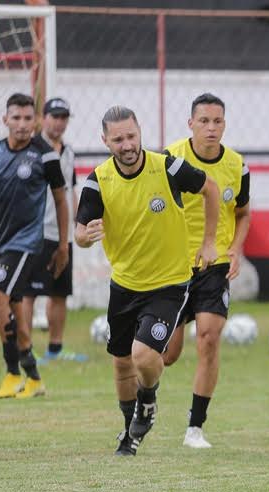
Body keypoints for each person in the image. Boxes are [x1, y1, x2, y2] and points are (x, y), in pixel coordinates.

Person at [75, 106, 220, 456]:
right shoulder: (98, 181)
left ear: (140, 131)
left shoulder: (167, 167)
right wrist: (84, 237)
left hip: (169, 284)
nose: (127, 145)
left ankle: (148, 399)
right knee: (121, 362)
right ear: (105, 141)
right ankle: (129, 432)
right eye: (118, 139)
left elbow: (211, 189)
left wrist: (209, 242)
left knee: (142, 355)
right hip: (124, 285)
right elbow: (80, 232)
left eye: (131, 136)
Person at [0, 92, 68, 399]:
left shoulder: (45, 155)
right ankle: (33, 378)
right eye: (16, 118)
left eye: (27, 118)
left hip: (27, 243)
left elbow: (61, 201)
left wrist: (63, 245)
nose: (21, 124)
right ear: (5, 119)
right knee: (14, 309)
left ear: (36, 121)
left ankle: (11, 372)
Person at [162, 93, 251, 449]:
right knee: (167, 355)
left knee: (209, 339)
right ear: (191, 124)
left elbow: (243, 213)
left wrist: (235, 248)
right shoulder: (170, 159)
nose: (211, 128)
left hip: (215, 267)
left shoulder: (237, 165)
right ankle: (142, 402)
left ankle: (195, 428)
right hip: (172, 266)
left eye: (217, 121)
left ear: (224, 124)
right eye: (204, 121)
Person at [22, 97, 87, 363]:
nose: (59, 122)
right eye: (55, 116)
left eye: (64, 117)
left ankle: (56, 349)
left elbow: (70, 191)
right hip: (36, 233)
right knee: (29, 293)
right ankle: (25, 350)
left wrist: (79, 221)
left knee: (60, 292)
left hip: (62, 234)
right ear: (43, 118)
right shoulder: (31, 150)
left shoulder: (68, 151)